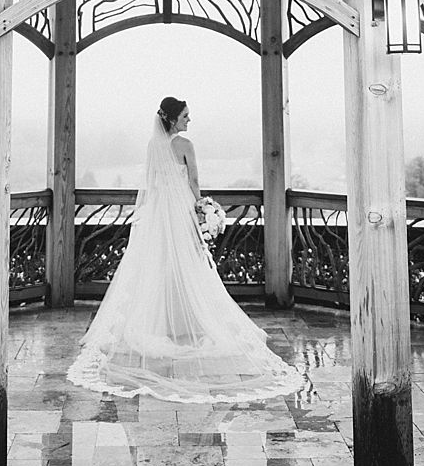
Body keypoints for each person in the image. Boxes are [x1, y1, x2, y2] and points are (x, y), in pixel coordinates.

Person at [66, 96, 304, 403]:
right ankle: (186, 322)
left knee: (155, 267)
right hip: (179, 213)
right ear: (174, 119)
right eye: (186, 116)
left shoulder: (153, 146)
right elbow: (194, 183)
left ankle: (161, 323)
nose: (189, 120)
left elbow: (151, 184)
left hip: (157, 214)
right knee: (188, 268)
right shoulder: (185, 146)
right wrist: (202, 210)